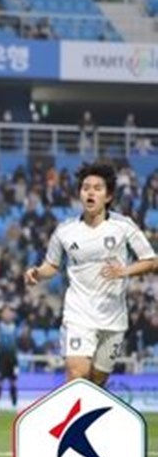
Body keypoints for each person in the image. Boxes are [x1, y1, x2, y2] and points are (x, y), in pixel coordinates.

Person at [24, 163, 156, 387]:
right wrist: (37, 272)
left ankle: (89, 420)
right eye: (86, 188)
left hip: (113, 317)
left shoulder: (123, 226)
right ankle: (71, 421)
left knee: (97, 380)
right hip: (78, 313)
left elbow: (151, 261)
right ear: (80, 193)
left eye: (97, 188)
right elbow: (52, 265)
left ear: (109, 195)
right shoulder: (65, 231)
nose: (90, 192)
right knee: (77, 374)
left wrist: (124, 271)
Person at [0, 306, 19, 413]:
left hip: (12, 357)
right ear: (2, 315)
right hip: (1, 357)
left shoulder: (15, 325)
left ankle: (14, 404)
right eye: (5, 313)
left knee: (13, 382)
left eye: (9, 313)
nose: (7, 315)